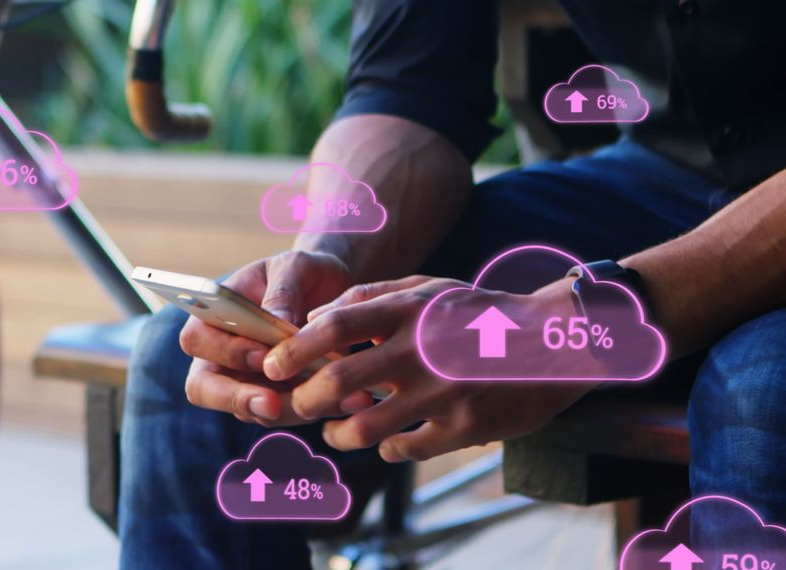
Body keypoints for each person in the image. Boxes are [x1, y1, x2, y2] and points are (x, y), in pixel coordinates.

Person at [118, 1, 786, 568]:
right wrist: (330, 263)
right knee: (199, 362)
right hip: (666, 168)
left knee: (760, 390)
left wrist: (587, 324)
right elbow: (408, 88)